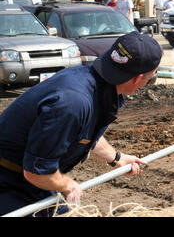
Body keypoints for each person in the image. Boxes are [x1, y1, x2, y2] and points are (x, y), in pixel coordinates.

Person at [0, 31, 162, 216]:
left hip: (26, 179)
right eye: (152, 75)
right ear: (137, 78)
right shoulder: (73, 103)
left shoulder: (95, 83)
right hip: (10, 182)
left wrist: (117, 158)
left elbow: (83, 133)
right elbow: (37, 171)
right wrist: (66, 184)